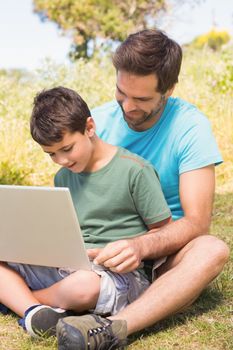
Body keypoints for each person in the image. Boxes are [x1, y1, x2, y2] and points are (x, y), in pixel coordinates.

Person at [56, 29, 230, 350]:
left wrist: (139, 247)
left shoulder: (190, 128)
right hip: (99, 250)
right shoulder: (99, 121)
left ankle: (111, 330)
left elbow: (196, 222)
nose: (128, 107)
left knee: (212, 249)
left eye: (142, 99)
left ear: (169, 89)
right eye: (122, 93)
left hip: (163, 253)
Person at [0, 86, 172, 338]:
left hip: (117, 275)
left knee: (83, 286)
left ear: (89, 128)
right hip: (70, 266)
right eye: (51, 154)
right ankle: (36, 310)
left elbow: (165, 232)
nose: (61, 160)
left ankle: (23, 302)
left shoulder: (135, 170)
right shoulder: (63, 177)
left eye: (67, 149)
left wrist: (130, 248)